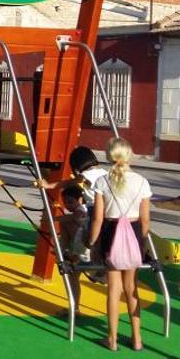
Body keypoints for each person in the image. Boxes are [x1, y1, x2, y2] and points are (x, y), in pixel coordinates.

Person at [86, 137, 151, 352]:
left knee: (114, 289)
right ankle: (137, 338)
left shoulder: (102, 182)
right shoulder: (142, 182)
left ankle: (112, 339)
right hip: (132, 232)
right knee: (132, 288)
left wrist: (91, 242)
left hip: (111, 232)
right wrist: (142, 243)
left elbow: (97, 218)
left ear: (108, 155)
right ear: (129, 154)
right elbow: (145, 220)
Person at [56, 185, 90, 317]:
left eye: (71, 202)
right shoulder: (71, 217)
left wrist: (55, 218)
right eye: (65, 202)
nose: (67, 205)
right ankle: (74, 307)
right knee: (73, 278)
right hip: (79, 251)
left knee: (73, 278)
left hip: (87, 251)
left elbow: (77, 216)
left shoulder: (83, 210)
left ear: (80, 199)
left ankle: (75, 307)